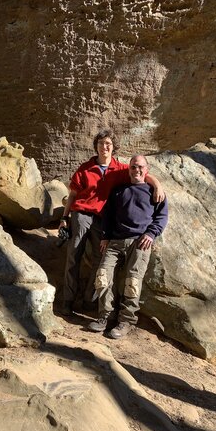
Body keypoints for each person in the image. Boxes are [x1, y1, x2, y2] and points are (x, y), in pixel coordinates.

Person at [59, 129, 164, 315]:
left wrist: (157, 185)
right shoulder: (85, 168)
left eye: (108, 143)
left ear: (113, 147)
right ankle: (68, 300)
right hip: (82, 214)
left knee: (100, 261)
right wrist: (64, 219)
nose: (104, 147)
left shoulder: (121, 168)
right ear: (96, 147)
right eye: (100, 143)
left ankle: (88, 300)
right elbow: (73, 195)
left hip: (103, 219)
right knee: (74, 254)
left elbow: (142, 173)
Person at [88, 154, 168, 339]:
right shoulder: (118, 191)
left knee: (132, 282)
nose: (136, 170)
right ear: (129, 169)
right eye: (133, 167)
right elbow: (107, 217)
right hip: (115, 241)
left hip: (140, 242)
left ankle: (126, 321)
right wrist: (105, 237)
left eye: (140, 167)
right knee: (102, 276)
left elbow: (162, 217)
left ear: (146, 169)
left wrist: (151, 233)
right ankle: (105, 317)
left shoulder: (154, 191)